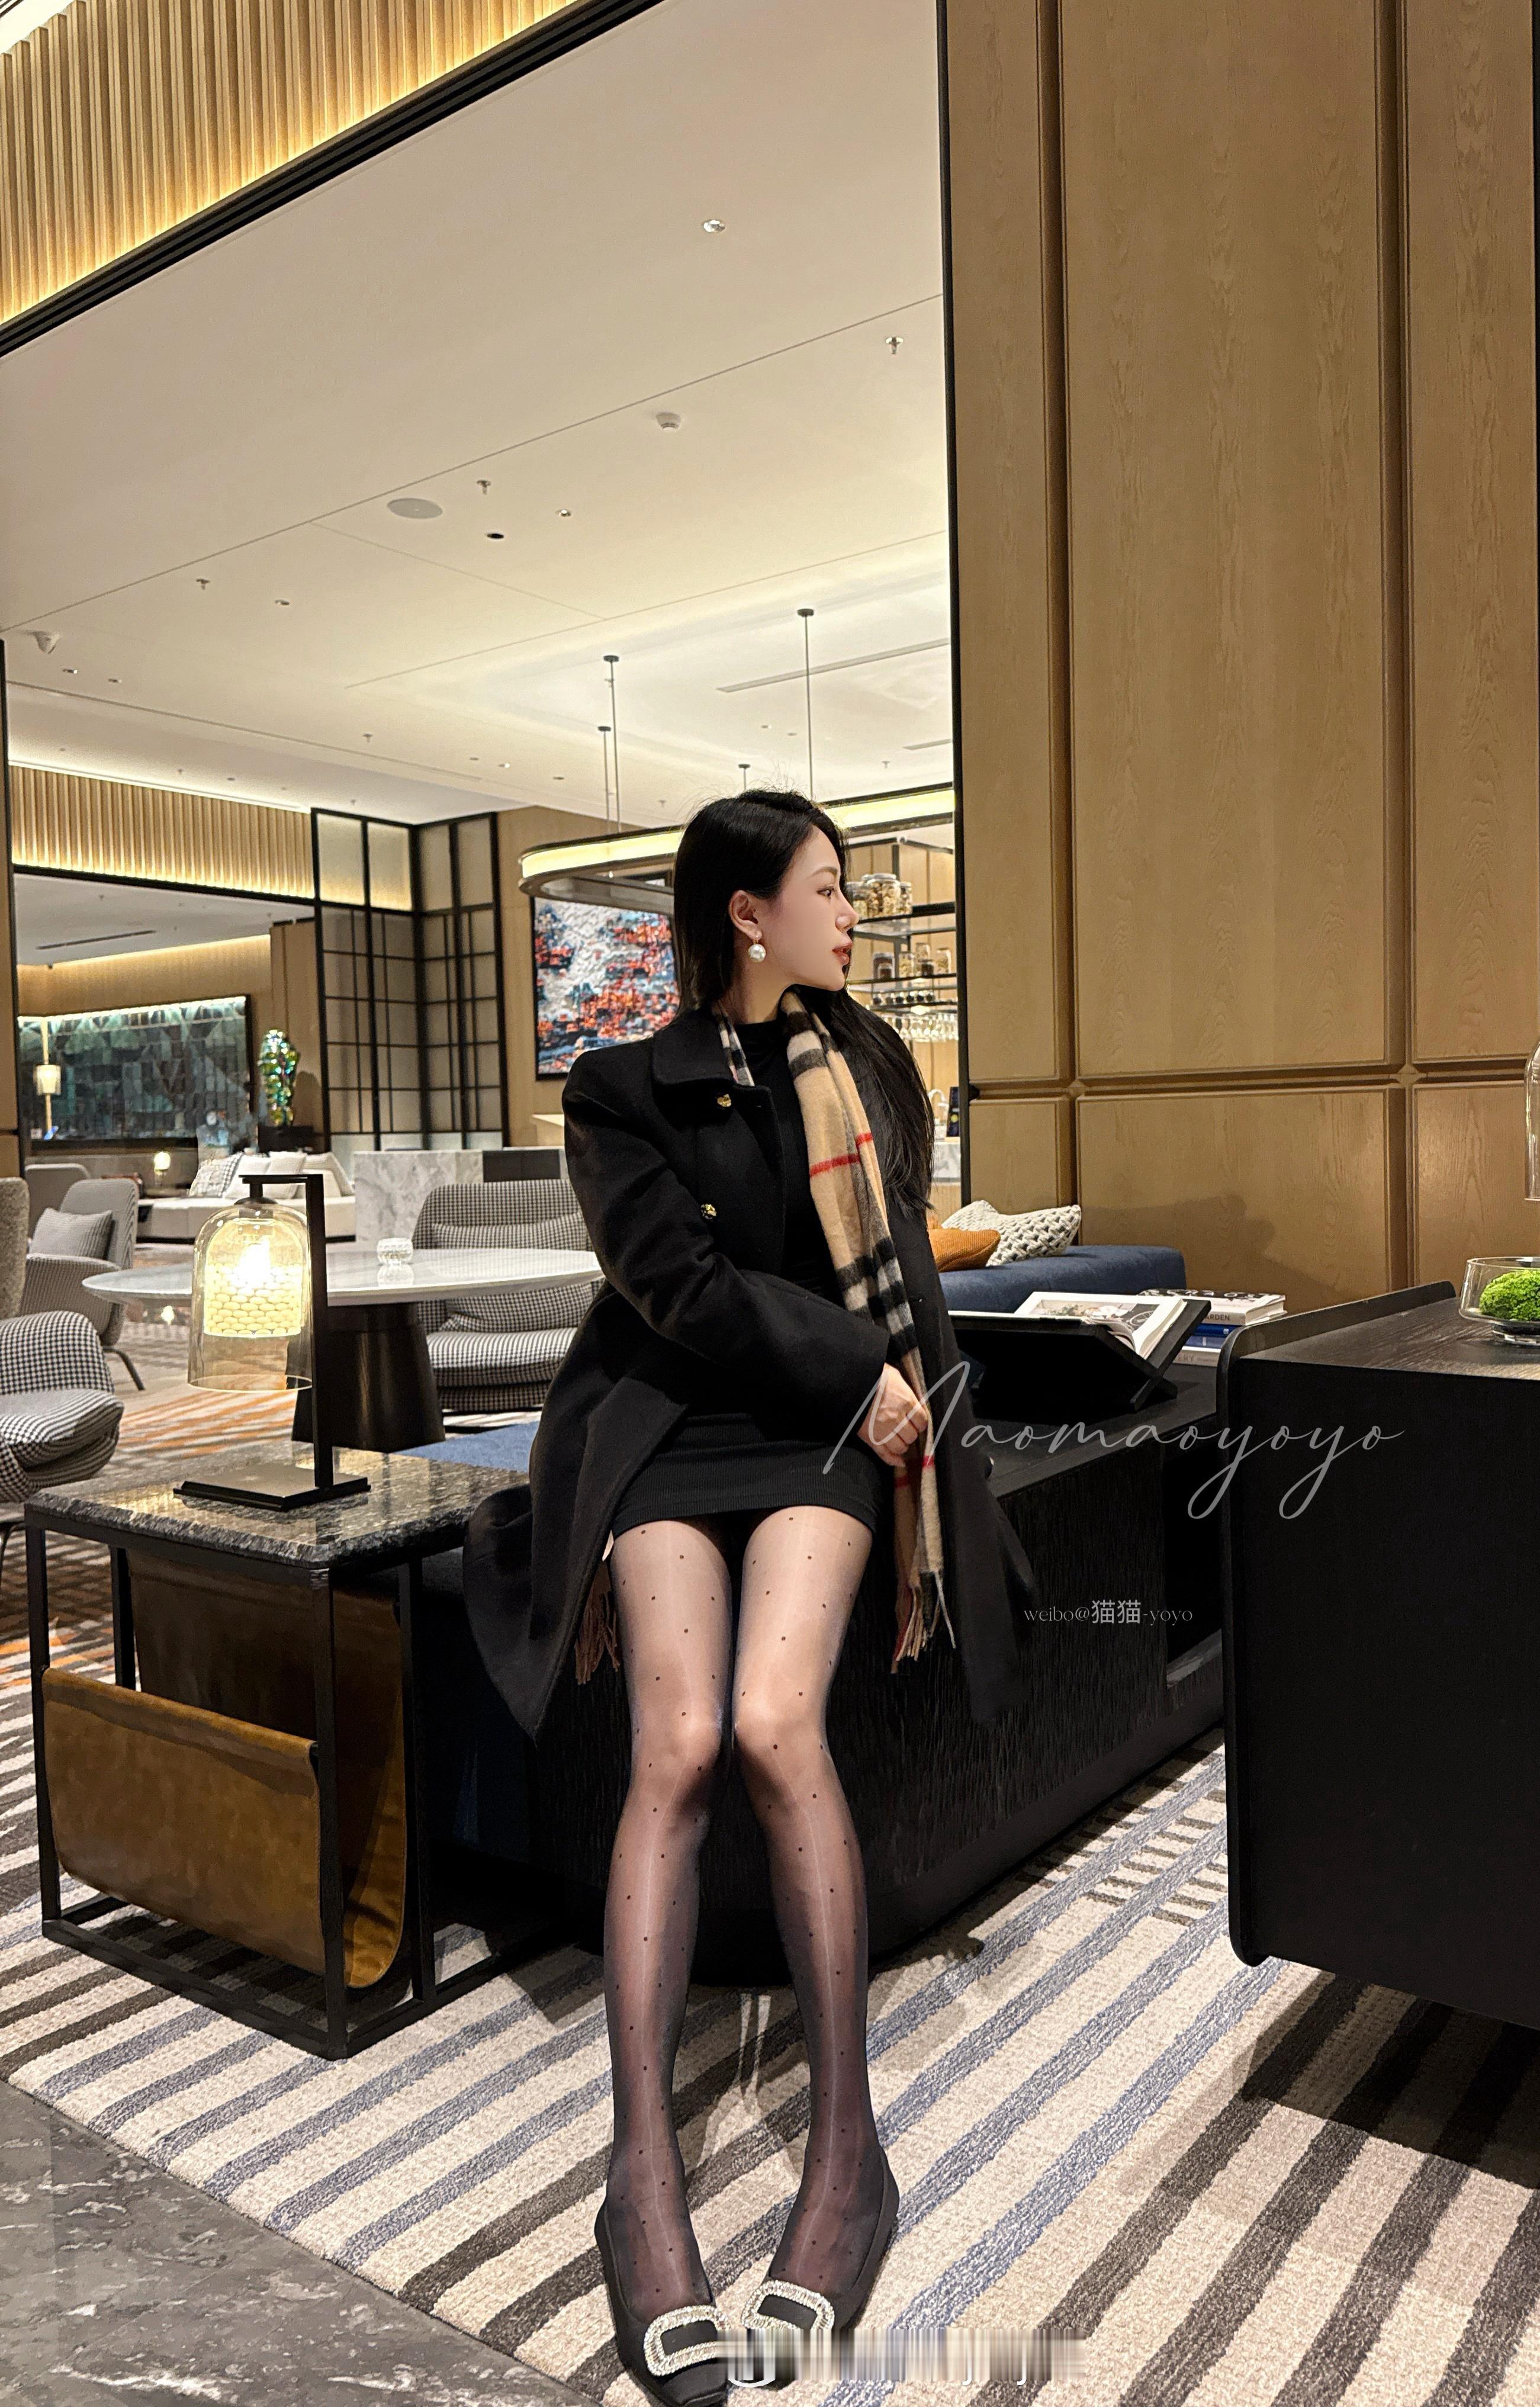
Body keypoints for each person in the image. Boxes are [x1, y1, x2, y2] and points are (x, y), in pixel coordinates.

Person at [462, 789, 1036, 2403]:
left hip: (827, 1433)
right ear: (747, 911)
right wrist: (862, 1368)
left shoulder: (869, 1060)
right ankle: (640, 2169)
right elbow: (680, 1288)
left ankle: (847, 2151)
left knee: (778, 1721)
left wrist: (922, 1415)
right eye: (831, 888)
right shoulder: (619, 1088)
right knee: (681, 1741)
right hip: (672, 1421)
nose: (852, 915)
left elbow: (902, 1259)